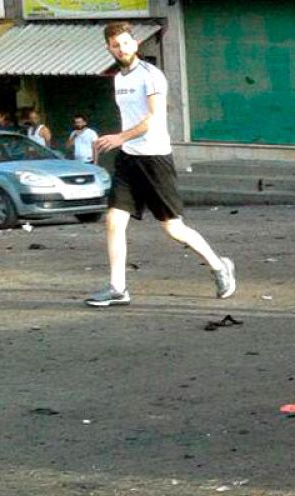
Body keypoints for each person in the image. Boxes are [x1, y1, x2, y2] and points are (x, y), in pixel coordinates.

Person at [87, 22, 235, 308]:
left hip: (155, 159)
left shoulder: (151, 76)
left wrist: (118, 137)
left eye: (126, 43)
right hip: (129, 159)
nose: (122, 49)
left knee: (173, 228)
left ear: (136, 44)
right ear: (109, 48)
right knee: (114, 221)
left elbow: (154, 118)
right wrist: (121, 142)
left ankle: (219, 266)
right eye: (116, 45)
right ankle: (118, 288)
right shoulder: (118, 78)